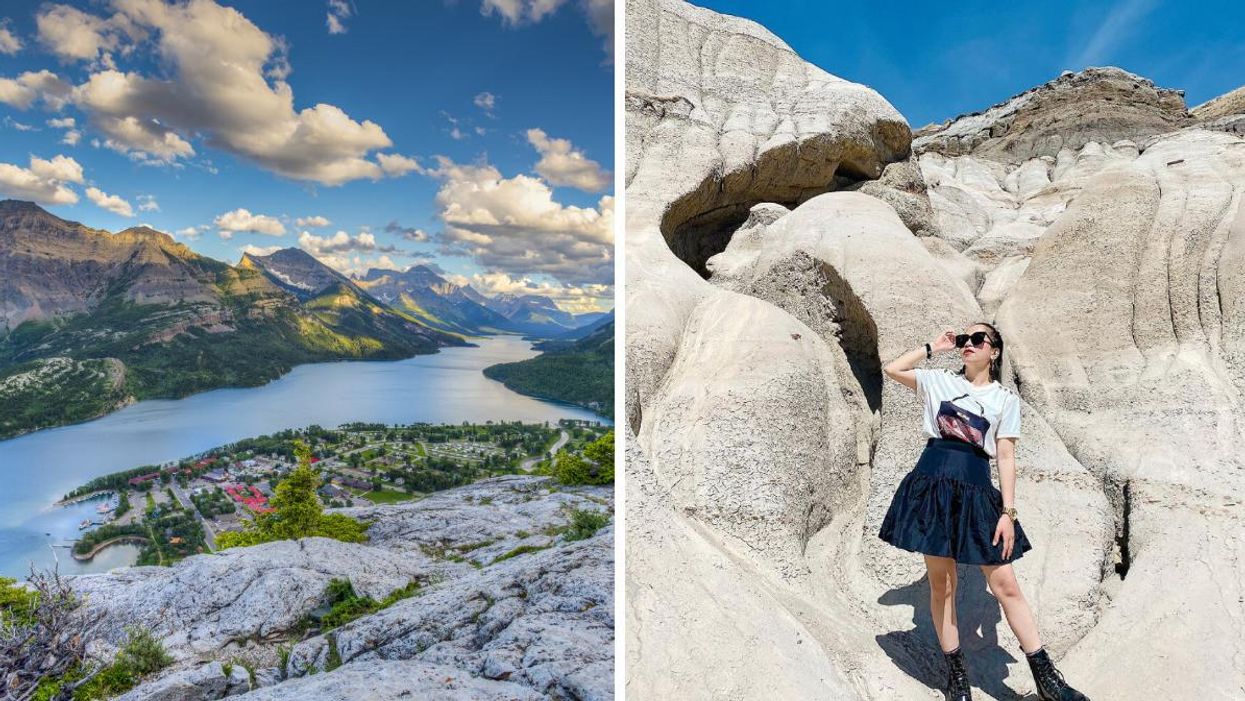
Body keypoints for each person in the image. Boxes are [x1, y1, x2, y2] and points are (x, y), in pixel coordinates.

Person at [877, 322, 1089, 701]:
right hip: (934, 481)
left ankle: (1048, 680)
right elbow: (893, 370)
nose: (968, 345)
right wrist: (933, 346)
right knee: (942, 585)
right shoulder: (940, 380)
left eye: (978, 339)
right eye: (965, 340)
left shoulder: (1005, 399)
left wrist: (1008, 511)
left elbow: (1006, 456)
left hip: (976, 490)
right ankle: (957, 680)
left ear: (994, 351)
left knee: (1005, 584)